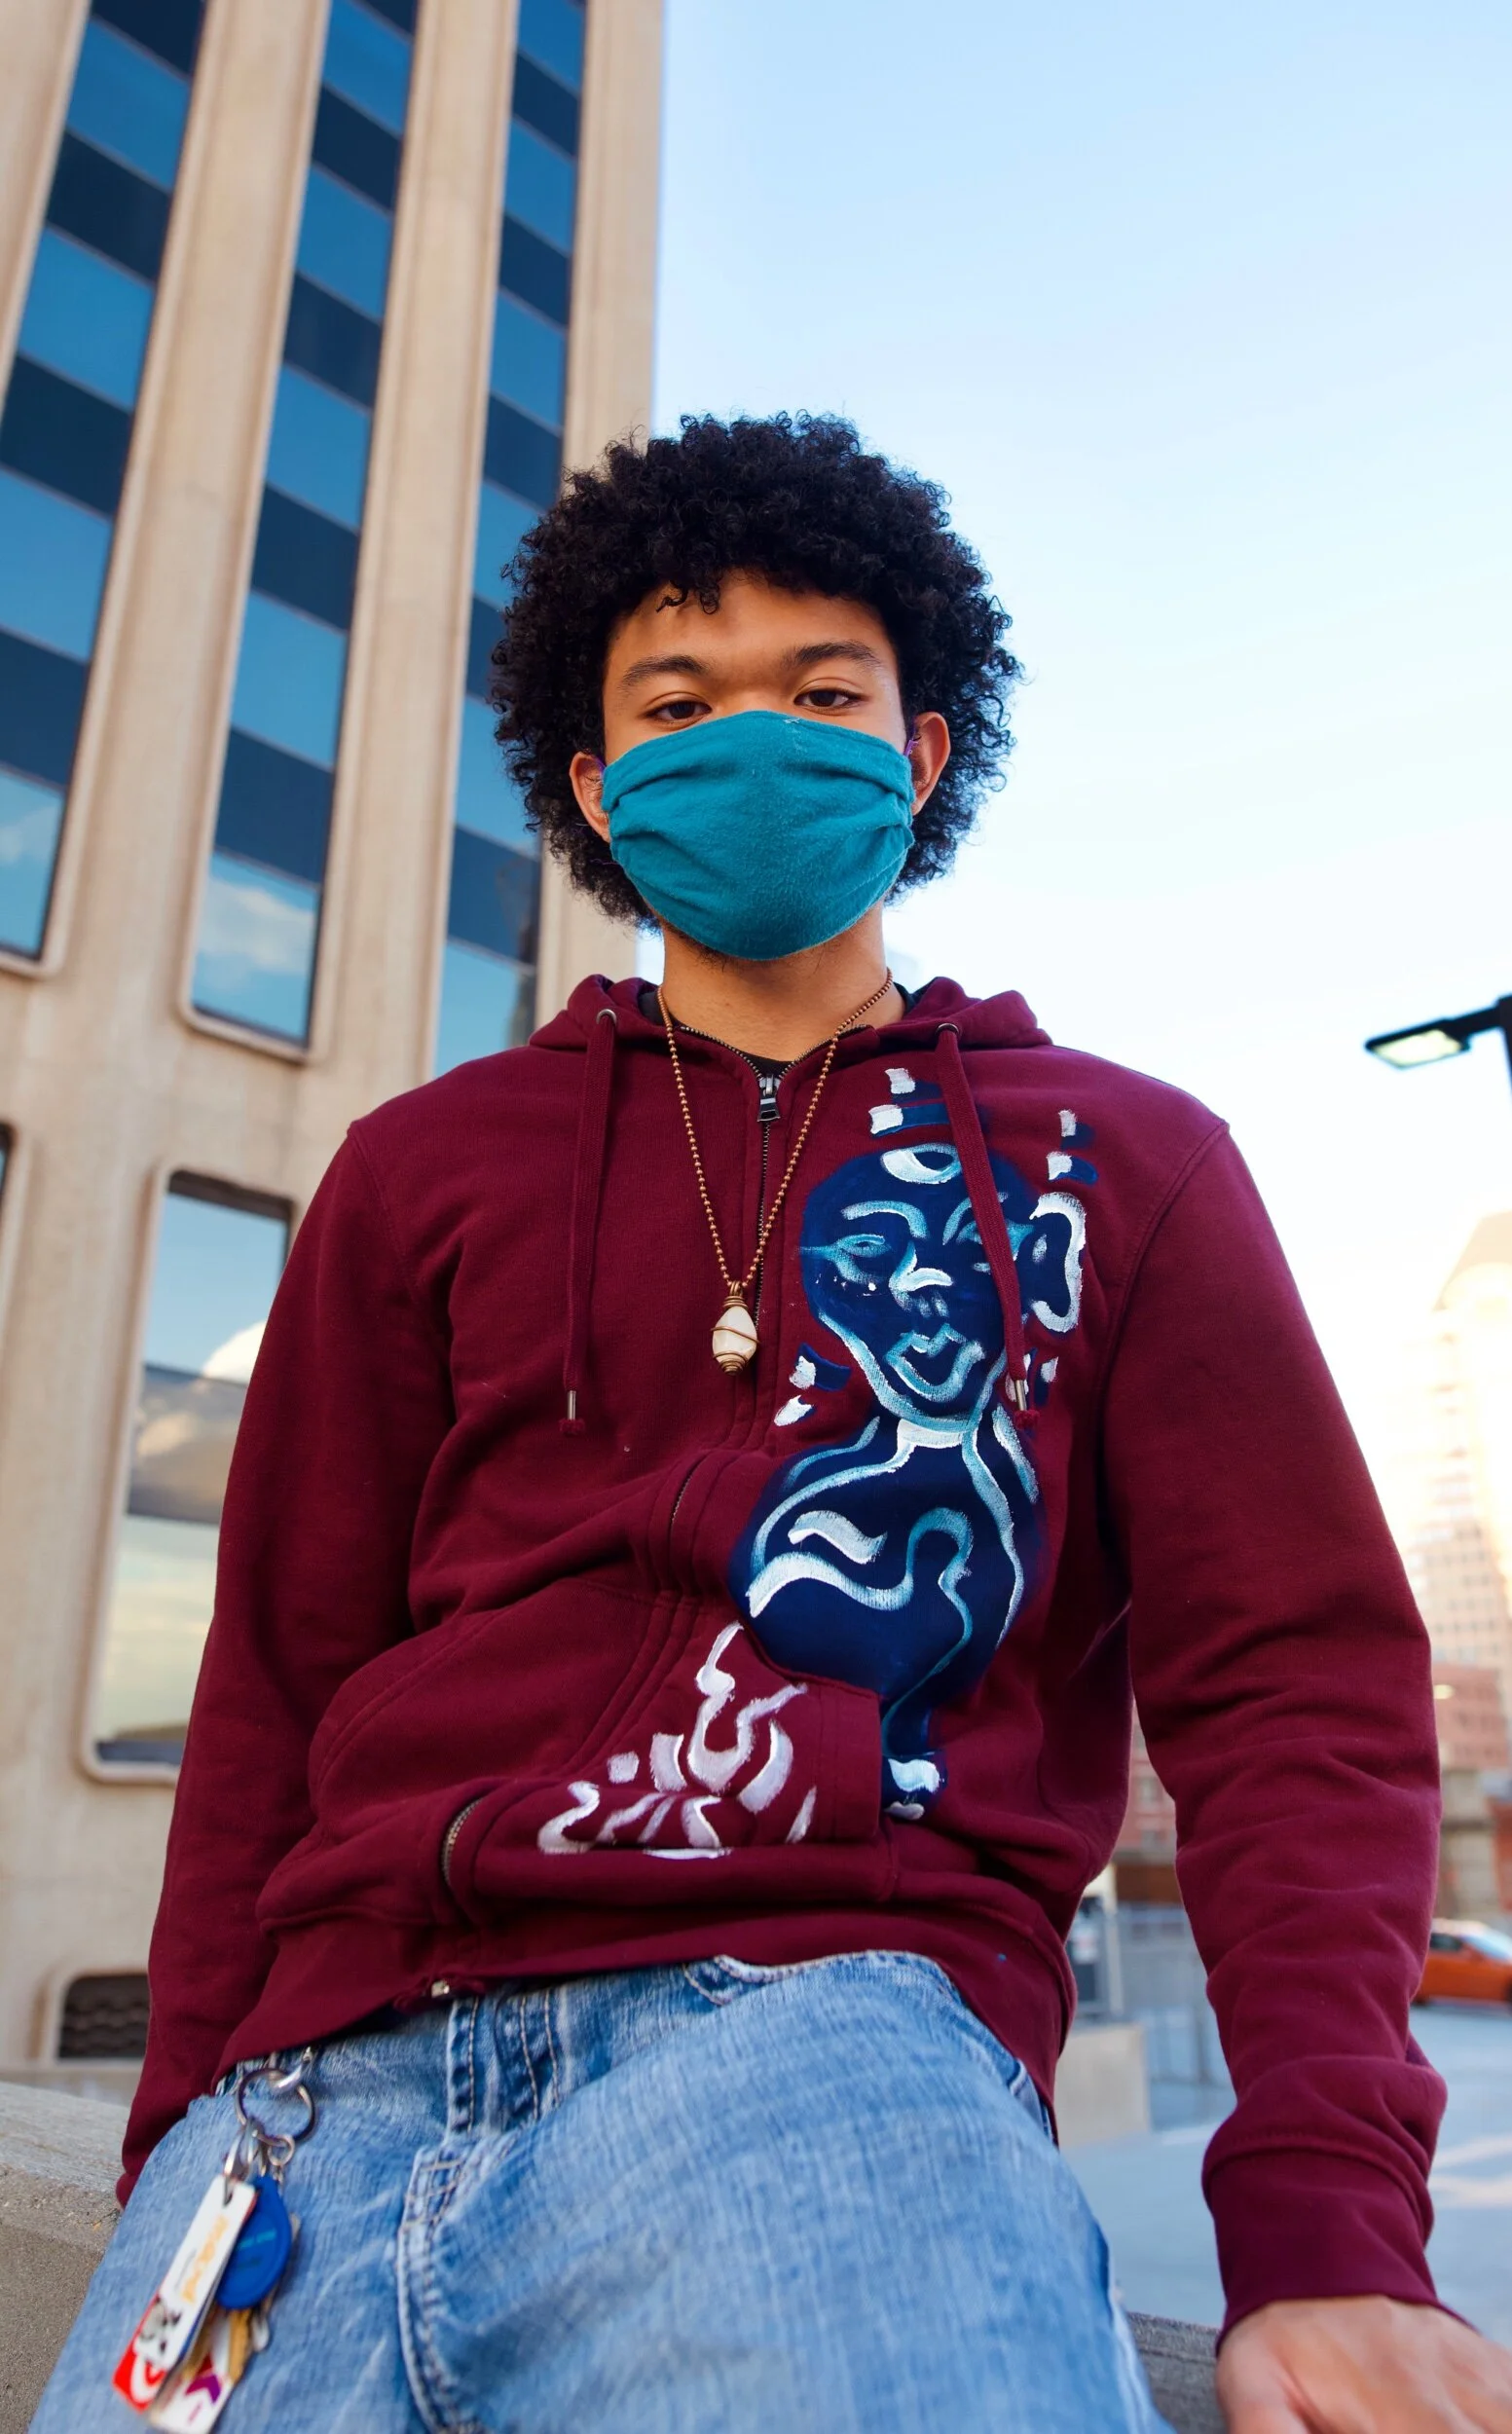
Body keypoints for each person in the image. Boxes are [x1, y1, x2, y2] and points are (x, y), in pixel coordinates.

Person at [35, 415, 1512, 2433]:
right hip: (316, 2107)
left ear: (915, 755)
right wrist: (175, 2160)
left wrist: (1332, 2224)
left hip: (826, 2050)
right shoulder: (416, 1170)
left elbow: (1292, 1692)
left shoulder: (1121, 1162)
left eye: (823, 692)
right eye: (677, 698)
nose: (754, 737)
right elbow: (282, 1688)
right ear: (593, 780)